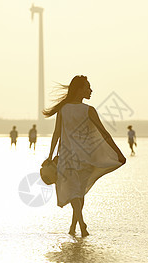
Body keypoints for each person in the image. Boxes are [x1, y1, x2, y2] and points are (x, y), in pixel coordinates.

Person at [43, 75, 126, 237]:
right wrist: (49, 156)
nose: (90, 90)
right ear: (79, 89)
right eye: (88, 87)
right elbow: (104, 134)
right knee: (77, 192)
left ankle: (74, 225)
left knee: (78, 193)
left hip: (71, 158)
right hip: (81, 158)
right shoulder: (85, 110)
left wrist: (118, 153)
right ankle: (81, 226)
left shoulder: (69, 110)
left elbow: (56, 135)